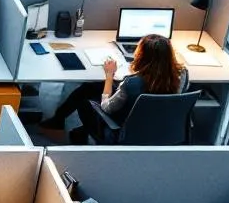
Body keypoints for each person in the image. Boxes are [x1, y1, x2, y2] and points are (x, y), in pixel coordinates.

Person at [40, 33, 189, 144]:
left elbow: (106, 108)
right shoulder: (182, 75)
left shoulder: (131, 83)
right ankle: (62, 122)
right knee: (90, 87)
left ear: (142, 57)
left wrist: (109, 75)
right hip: (160, 126)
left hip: (124, 131)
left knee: (85, 100)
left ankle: (74, 132)